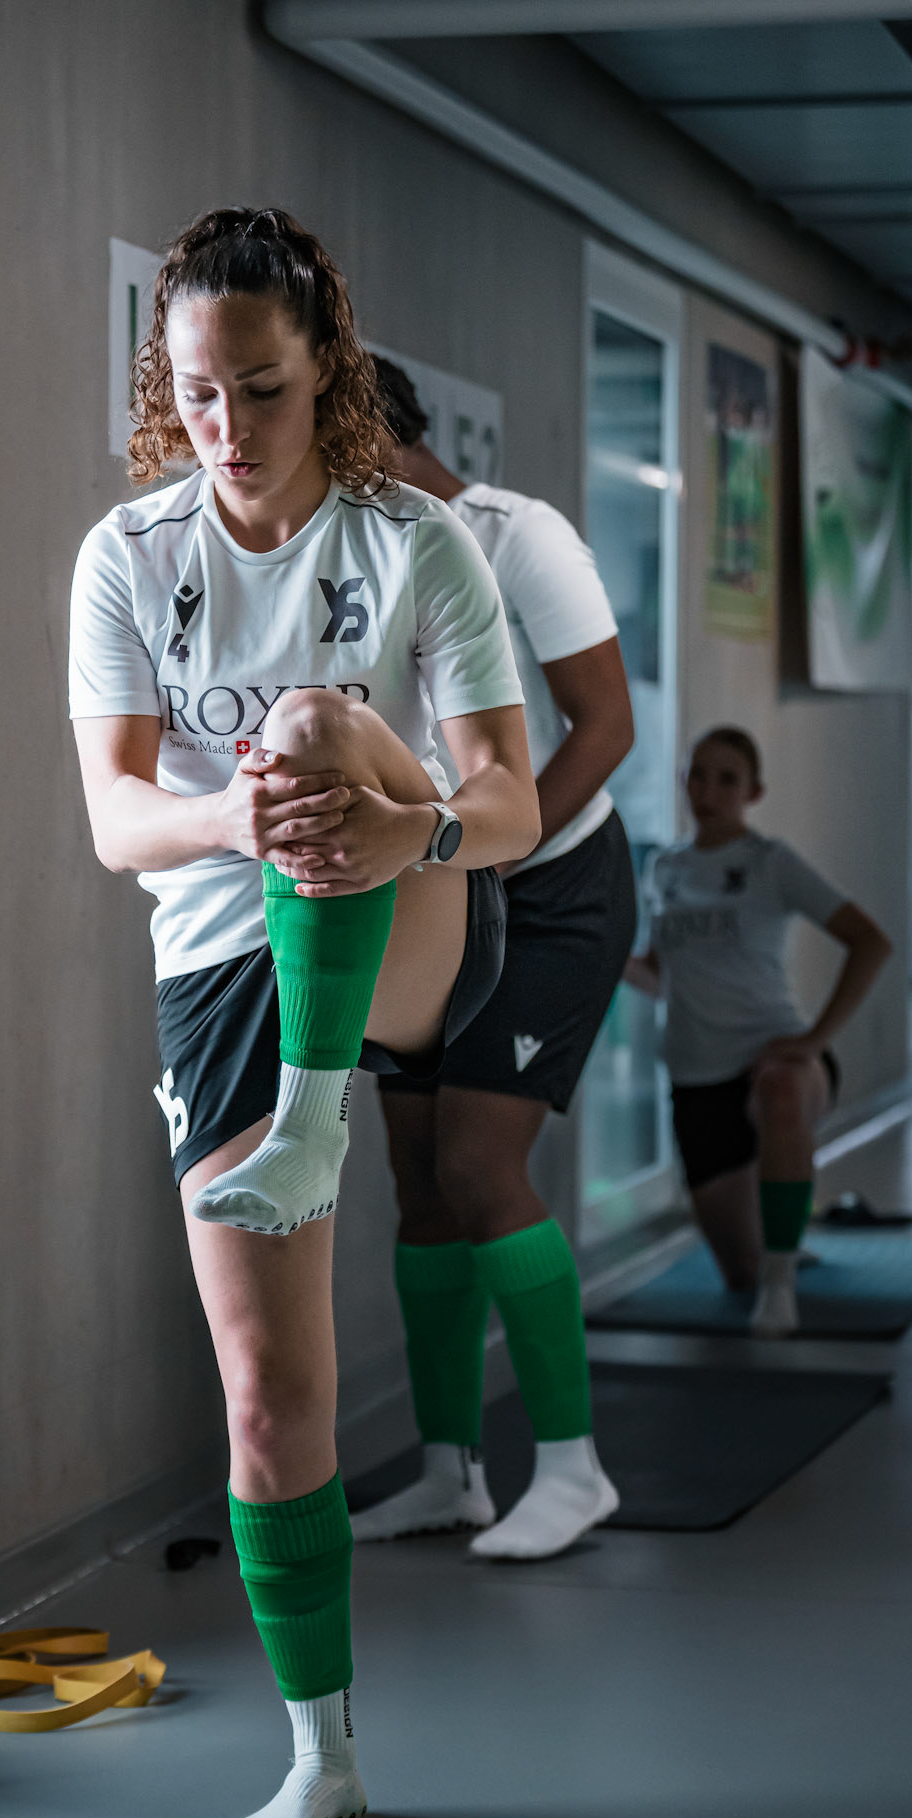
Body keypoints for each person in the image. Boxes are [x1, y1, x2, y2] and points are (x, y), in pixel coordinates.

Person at [68, 209, 539, 1818]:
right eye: (198, 393)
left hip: (406, 917)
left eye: (260, 388)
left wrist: (383, 819)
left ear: (323, 366)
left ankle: (324, 1108)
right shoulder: (127, 559)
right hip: (218, 967)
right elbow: (117, 819)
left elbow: (508, 792)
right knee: (269, 1403)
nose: (228, 426)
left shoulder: (421, 546)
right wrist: (234, 825)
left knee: (319, 716)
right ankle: (323, 1754)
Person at [350, 356, 636, 1562]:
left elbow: (606, 724)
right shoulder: (356, 566)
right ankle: (446, 1471)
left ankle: (574, 1469)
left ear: (377, 438)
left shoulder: (519, 539)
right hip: (437, 886)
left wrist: (494, 853)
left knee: (478, 1159)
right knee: (417, 1178)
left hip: (554, 884)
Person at [625, 725, 892, 1335]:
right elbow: (662, 976)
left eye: (726, 779)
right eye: (698, 775)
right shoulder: (664, 869)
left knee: (780, 1089)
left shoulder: (772, 863)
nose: (708, 791)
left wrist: (814, 1040)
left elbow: (870, 943)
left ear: (754, 791)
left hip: (777, 1055)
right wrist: (608, 955)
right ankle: (774, 1250)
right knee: (735, 1273)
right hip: (697, 1076)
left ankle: (782, 1284)